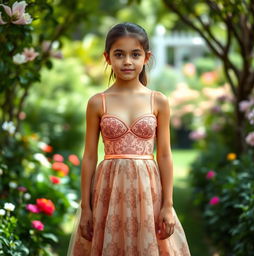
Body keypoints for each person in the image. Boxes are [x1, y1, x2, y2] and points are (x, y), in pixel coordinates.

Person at [67, 22, 191, 256]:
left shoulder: (158, 101)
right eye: (119, 54)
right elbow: (90, 156)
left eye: (135, 54)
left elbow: (164, 154)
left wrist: (168, 204)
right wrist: (86, 207)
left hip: (148, 190)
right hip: (108, 189)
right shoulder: (97, 102)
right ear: (107, 57)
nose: (127, 61)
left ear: (146, 57)